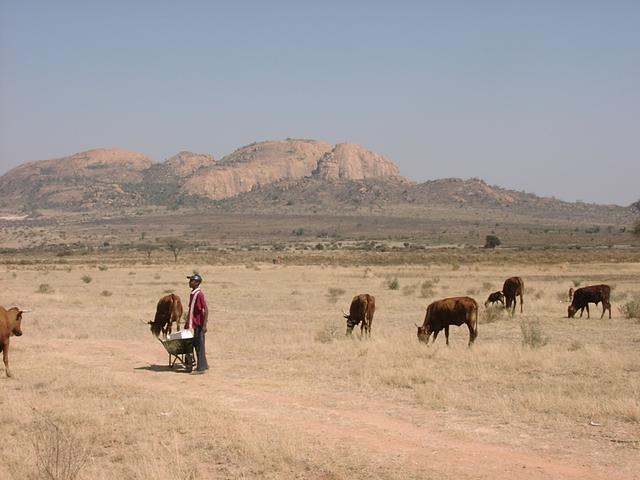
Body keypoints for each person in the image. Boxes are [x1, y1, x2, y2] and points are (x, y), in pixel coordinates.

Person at [185, 274, 209, 374]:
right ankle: (204, 365)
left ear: (197, 282)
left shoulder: (199, 294)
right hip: (193, 323)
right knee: (196, 344)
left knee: (199, 345)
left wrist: (204, 325)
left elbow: (206, 309)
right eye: (190, 280)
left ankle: (201, 368)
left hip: (198, 324)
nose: (190, 282)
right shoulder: (193, 293)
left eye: (192, 281)